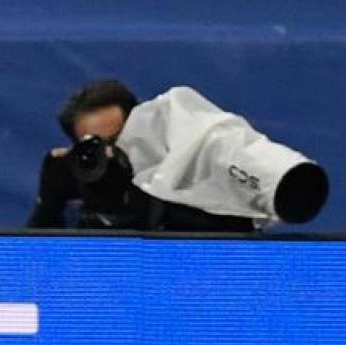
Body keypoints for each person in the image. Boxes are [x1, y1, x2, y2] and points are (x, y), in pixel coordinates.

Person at [27, 79, 256, 231]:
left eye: (118, 139)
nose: (110, 153)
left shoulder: (183, 172)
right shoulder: (80, 175)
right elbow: (34, 261)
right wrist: (50, 201)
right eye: (96, 145)